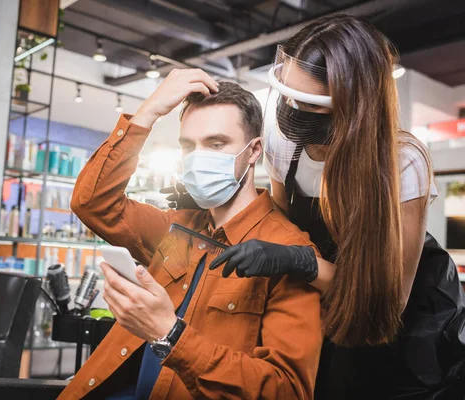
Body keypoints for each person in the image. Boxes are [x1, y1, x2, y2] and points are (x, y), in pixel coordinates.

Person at [199, 14, 465, 399]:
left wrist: (301, 262)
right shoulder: (282, 142)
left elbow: (387, 302)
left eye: (308, 103)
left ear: (356, 105)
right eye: (286, 94)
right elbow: (280, 221)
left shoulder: (402, 162)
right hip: (321, 298)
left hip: (398, 319)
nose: (289, 109)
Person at [57, 76, 324, 399]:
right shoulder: (176, 227)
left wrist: (168, 333)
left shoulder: (286, 251)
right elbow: (92, 203)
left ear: (253, 151)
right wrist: (149, 112)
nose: (197, 159)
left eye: (216, 144)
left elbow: (287, 391)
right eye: (187, 146)